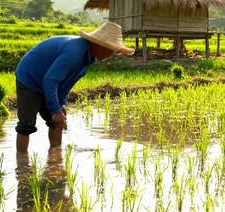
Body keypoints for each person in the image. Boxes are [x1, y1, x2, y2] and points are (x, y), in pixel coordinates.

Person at [14, 21, 135, 152]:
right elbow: (50, 80)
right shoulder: (75, 52)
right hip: (30, 78)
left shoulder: (88, 57)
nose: (110, 55)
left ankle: (55, 156)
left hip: (47, 80)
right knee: (26, 125)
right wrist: (55, 110)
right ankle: (22, 165)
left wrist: (61, 105)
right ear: (100, 45)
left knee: (57, 122)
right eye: (111, 50)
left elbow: (66, 83)